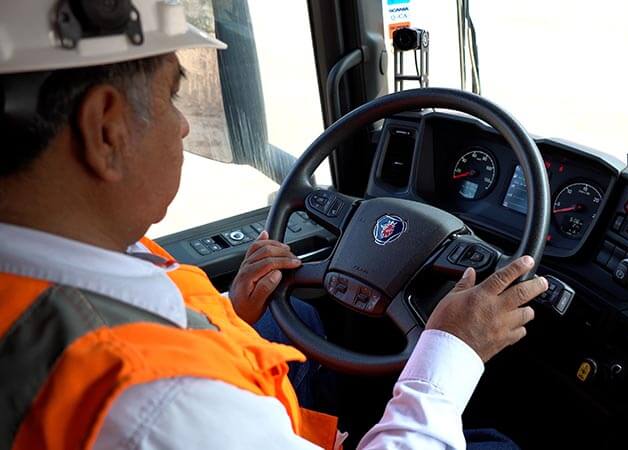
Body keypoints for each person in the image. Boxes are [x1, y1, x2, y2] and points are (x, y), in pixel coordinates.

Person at [0, 1, 548, 449]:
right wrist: (450, 349)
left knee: (303, 311)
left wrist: (231, 314)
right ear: (107, 130)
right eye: (171, 96)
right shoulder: (156, 399)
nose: (185, 125)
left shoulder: (64, 244)